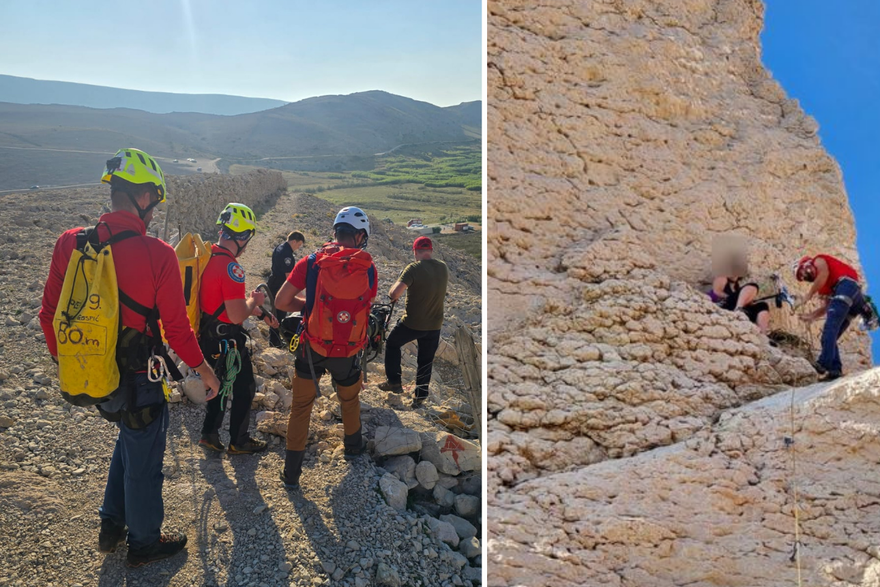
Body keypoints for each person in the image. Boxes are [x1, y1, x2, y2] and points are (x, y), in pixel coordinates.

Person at [39, 148, 221, 567]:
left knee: (128, 438)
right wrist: (205, 371)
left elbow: (48, 313)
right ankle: (143, 543)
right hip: (139, 378)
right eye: (154, 201)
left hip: (90, 373)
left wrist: (69, 359)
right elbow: (176, 329)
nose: (154, 211)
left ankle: (111, 524)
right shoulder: (157, 253)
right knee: (144, 458)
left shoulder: (71, 242)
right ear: (142, 198)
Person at [274, 206, 377, 489]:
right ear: (361, 237)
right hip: (348, 352)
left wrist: (310, 308)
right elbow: (365, 305)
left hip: (312, 348)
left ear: (335, 232)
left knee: (301, 407)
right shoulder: (368, 268)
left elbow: (281, 303)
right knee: (350, 399)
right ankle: (353, 447)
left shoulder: (311, 261)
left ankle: (292, 475)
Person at [198, 203, 279, 454]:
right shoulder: (232, 268)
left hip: (207, 335)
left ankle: (210, 434)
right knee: (244, 387)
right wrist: (254, 302)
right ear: (242, 236)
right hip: (227, 339)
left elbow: (220, 303)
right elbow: (234, 316)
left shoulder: (207, 257)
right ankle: (239, 439)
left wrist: (252, 309)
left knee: (218, 382)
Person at [378, 236, 449, 407]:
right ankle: (419, 397)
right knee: (425, 360)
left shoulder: (413, 268)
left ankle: (394, 381)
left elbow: (395, 293)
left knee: (393, 343)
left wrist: (391, 292)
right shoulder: (443, 267)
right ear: (430, 250)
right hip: (435, 325)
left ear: (415, 251)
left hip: (413, 323)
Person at [792, 254, 869, 380]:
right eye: (801, 277)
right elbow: (828, 307)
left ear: (806, 263)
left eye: (801, 271)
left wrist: (808, 295)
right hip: (852, 298)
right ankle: (835, 370)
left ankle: (823, 363)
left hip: (846, 286)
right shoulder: (823, 288)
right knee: (828, 337)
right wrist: (812, 316)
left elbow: (823, 274)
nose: (803, 276)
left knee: (830, 329)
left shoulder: (819, 260)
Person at [267, 231, 305, 348]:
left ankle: (275, 340)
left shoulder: (280, 247)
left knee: (275, 313)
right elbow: (289, 277)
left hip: (273, 284)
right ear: (294, 241)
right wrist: (300, 294)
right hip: (279, 287)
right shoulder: (287, 254)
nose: (298, 248)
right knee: (279, 315)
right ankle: (275, 342)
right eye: (298, 245)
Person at [709, 270, 771, 335]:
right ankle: (738, 310)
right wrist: (732, 296)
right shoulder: (722, 277)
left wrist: (749, 302)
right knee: (753, 286)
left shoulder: (736, 286)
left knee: (762, 305)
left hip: (733, 307)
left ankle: (763, 333)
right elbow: (716, 292)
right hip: (724, 305)